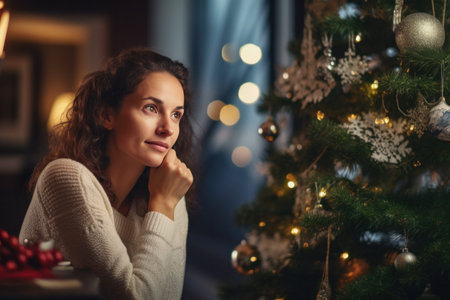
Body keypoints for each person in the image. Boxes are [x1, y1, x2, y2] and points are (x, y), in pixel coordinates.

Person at [19, 48, 195, 300]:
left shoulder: (167, 194)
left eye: (176, 114)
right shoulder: (66, 178)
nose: (168, 128)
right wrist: (163, 205)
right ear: (106, 114)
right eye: (151, 108)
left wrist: (165, 203)